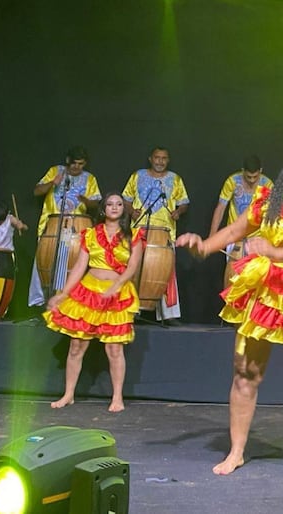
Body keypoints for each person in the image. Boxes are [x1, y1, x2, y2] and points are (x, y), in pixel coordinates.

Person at [176, 148, 283, 475]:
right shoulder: (268, 200)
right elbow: (234, 231)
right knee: (246, 374)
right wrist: (204, 247)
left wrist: (273, 251)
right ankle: (236, 451)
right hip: (266, 290)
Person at [43, 193, 144, 412]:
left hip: (116, 294)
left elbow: (132, 268)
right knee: (76, 345)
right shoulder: (90, 234)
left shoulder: (133, 236)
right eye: (110, 204)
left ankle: (117, 397)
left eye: (119, 204)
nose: (115, 207)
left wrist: (116, 286)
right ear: (103, 209)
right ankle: (68, 394)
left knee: (114, 349)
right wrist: (62, 294)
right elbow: (80, 267)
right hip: (88, 292)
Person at [122, 147, 189, 324]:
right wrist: (131, 211)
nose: (160, 161)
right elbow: (126, 199)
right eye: (157, 158)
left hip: (164, 231)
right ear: (150, 159)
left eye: (164, 158)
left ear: (168, 160)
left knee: (166, 273)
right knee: (134, 270)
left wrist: (178, 212)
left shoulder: (175, 179)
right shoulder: (138, 175)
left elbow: (183, 203)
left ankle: (169, 315)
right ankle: (129, 311)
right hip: (140, 229)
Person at [29, 146, 102, 306]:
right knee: (44, 261)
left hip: (76, 228)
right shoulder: (55, 170)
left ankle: (70, 300)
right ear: (68, 161)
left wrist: (85, 200)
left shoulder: (89, 178)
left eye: (81, 164)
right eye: (74, 163)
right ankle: (40, 302)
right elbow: (37, 191)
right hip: (52, 225)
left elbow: (96, 203)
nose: (77, 167)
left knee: (72, 263)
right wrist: (52, 183)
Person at [208, 154, 273, 239]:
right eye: (249, 177)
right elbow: (220, 209)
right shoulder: (232, 181)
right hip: (234, 235)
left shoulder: (267, 184)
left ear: (260, 171)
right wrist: (211, 237)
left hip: (256, 238)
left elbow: (282, 199)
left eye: (255, 177)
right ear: (243, 171)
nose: (252, 180)